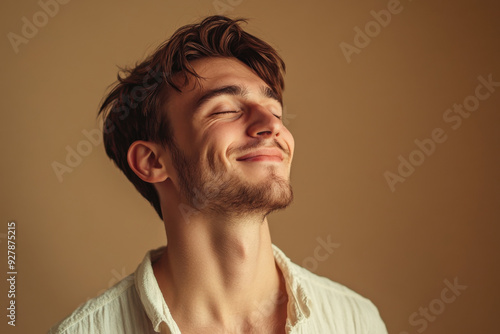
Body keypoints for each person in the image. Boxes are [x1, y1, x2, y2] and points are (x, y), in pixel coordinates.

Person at [48, 15, 388, 334]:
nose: (271, 126)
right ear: (152, 161)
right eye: (226, 110)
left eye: (274, 110)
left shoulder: (357, 321)